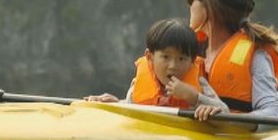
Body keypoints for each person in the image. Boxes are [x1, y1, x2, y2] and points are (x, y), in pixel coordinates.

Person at [177, 0, 278, 116]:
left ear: (210, 6)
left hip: (232, 136)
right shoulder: (184, 51)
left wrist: (230, 119)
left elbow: (273, 113)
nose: (189, 5)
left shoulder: (256, 57)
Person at [86, 19, 227, 121]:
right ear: (150, 57)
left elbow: (225, 112)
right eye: (166, 57)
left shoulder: (199, 85)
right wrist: (114, 105)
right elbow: (128, 112)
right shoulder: (137, 85)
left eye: (182, 59)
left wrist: (194, 98)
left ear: (192, 62)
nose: (173, 66)